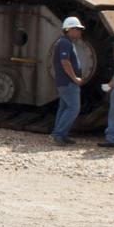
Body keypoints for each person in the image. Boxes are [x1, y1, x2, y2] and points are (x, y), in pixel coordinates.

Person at [50, 16, 87, 145]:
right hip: (68, 83)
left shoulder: (65, 42)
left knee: (64, 107)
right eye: (77, 29)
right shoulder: (65, 43)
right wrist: (75, 78)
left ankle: (59, 134)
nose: (79, 31)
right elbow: (65, 62)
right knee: (73, 108)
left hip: (64, 82)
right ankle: (59, 134)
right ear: (69, 29)